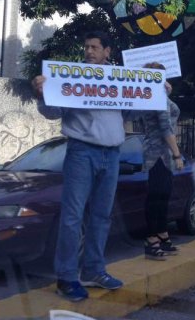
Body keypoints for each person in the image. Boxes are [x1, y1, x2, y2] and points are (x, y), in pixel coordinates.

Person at [32, 31, 124, 302]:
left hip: (113, 153)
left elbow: (133, 110)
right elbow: (53, 112)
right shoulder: (69, 76)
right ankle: (67, 277)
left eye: (95, 47)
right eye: (86, 46)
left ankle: (94, 270)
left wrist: (157, 93)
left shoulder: (120, 79)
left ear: (107, 52)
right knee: (72, 217)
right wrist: (42, 93)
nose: (89, 51)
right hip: (82, 151)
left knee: (102, 215)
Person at [138, 63, 184, 260]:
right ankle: (151, 240)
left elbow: (170, 115)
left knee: (163, 194)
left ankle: (162, 233)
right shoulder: (154, 96)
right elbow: (166, 127)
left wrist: (168, 93)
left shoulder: (159, 94)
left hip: (162, 153)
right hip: (157, 153)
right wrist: (177, 154)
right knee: (156, 196)